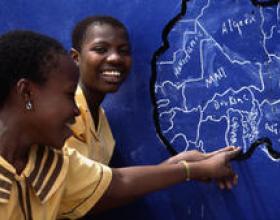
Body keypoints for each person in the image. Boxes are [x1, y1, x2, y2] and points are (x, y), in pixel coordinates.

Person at [0, 29, 240, 220]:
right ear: (26, 93)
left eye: (124, 50)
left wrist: (190, 168)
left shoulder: (48, 162)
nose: (75, 110)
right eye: (67, 96)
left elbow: (114, 184)